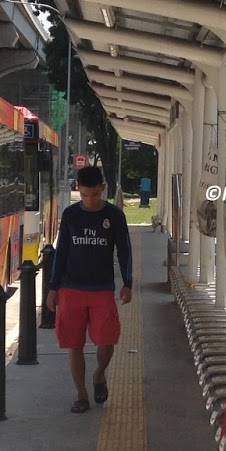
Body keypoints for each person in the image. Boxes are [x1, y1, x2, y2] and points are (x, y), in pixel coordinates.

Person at [47, 164, 133, 413]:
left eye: (95, 194)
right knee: (74, 344)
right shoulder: (71, 215)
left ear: (102, 189)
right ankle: (81, 394)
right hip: (71, 288)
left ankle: (98, 374)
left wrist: (127, 283)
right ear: (79, 191)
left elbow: (125, 251)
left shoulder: (115, 216)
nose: (90, 200)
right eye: (85, 195)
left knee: (107, 341)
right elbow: (61, 252)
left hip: (102, 289)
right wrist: (53, 288)